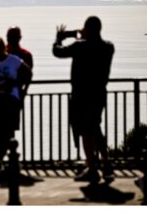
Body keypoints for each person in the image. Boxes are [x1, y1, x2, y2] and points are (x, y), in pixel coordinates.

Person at [52, 16, 115, 183]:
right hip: (99, 93)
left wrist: (59, 38)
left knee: (86, 132)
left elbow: (58, 52)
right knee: (95, 127)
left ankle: (92, 168)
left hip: (81, 94)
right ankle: (105, 163)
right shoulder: (108, 47)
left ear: (87, 29)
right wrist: (83, 36)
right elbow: (93, 47)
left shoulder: (80, 46)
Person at [0, 37, 31, 175]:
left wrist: (16, 85)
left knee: (8, 132)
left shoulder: (13, 60)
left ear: (2, 47)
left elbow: (28, 73)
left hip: (10, 100)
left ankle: (8, 161)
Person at [6, 26, 33, 100]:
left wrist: (24, 90)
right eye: (10, 36)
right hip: (0, 92)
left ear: (19, 38)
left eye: (13, 36)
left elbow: (28, 74)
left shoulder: (26, 55)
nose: (11, 39)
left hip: (17, 91)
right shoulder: (0, 53)